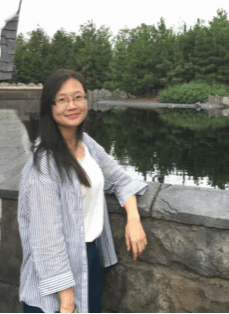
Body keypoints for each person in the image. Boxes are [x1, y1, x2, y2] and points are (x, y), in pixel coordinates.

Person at [18, 69, 149, 313]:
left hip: (89, 261)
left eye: (78, 97)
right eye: (62, 99)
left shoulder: (86, 144)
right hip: (55, 276)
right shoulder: (44, 164)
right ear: (49, 107)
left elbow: (121, 180)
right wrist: (67, 300)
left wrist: (133, 218)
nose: (72, 105)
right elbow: (47, 239)